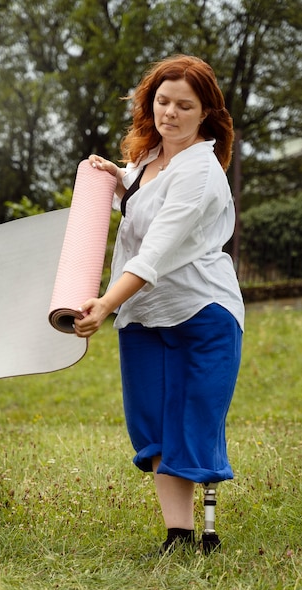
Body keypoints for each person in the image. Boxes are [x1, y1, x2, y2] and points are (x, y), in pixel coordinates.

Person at [74, 54, 245, 555]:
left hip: (202, 313)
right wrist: (118, 176)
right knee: (151, 424)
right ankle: (178, 537)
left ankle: (197, 537)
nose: (170, 112)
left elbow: (156, 252)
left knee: (191, 420)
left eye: (184, 105)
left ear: (206, 113)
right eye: (162, 101)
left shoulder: (201, 172)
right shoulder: (151, 161)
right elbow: (144, 199)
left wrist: (103, 304)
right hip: (145, 314)